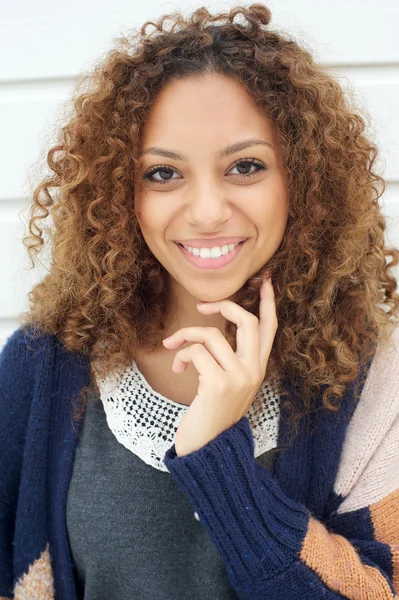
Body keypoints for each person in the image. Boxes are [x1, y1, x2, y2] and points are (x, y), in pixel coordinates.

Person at [0, 4, 398, 599]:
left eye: (245, 166)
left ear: (305, 182)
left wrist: (217, 456)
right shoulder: (44, 366)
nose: (208, 211)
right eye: (163, 174)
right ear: (118, 195)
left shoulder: (375, 385)